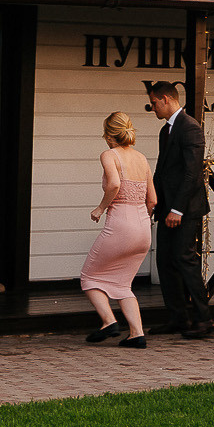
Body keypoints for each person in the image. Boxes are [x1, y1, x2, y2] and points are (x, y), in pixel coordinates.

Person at [78, 112, 155, 348]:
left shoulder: (109, 155)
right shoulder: (142, 158)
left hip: (120, 225)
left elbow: (114, 184)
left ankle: (109, 321)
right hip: (143, 229)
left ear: (109, 135)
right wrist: (143, 221)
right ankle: (137, 334)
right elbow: (152, 200)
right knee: (123, 285)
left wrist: (100, 209)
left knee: (89, 278)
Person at [147, 80, 213, 339]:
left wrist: (178, 209)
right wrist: (152, 199)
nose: (152, 108)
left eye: (153, 103)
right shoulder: (167, 131)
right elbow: (162, 169)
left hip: (185, 209)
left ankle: (203, 318)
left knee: (186, 261)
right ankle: (178, 317)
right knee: (165, 261)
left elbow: (192, 173)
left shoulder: (190, 127)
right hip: (166, 207)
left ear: (165, 98)